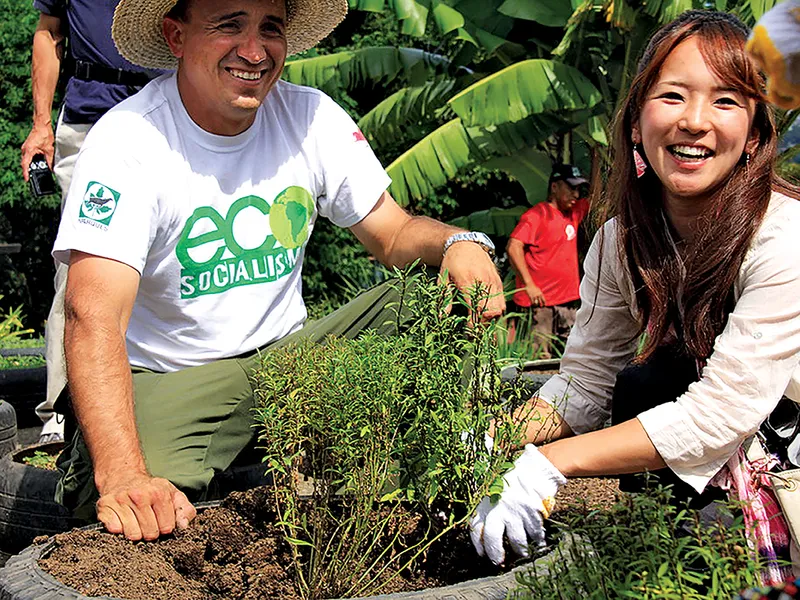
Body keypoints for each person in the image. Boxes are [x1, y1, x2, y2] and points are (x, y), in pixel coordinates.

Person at [51, 0, 504, 542]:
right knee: (122, 507)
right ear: (176, 35)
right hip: (174, 381)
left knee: (437, 289)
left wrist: (459, 241)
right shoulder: (129, 140)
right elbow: (92, 312)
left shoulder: (310, 116)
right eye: (229, 25)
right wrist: (122, 472)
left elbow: (396, 234)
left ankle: (427, 482)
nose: (253, 50)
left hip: (289, 366)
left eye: (271, 27)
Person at [470, 9, 800, 577]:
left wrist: (548, 464)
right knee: (645, 383)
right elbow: (585, 379)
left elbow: (721, 412)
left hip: (783, 443)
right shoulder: (622, 240)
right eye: (672, 96)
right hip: (732, 443)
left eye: (726, 102)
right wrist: (483, 452)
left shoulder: (784, 237)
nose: (695, 121)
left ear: (754, 134)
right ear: (634, 122)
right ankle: (669, 563)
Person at [19, 0, 165, 443]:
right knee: (79, 271)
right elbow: (48, 32)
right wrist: (41, 125)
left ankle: (156, 406)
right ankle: (59, 416)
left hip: (168, 115)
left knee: (168, 267)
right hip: (88, 118)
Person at [505, 164, 589, 357]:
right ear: (554, 187)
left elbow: (601, 196)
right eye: (571, 188)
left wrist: (597, 153)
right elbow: (513, 246)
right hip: (541, 305)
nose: (576, 194)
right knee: (539, 360)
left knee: (572, 358)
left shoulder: (573, 213)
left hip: (568, 303)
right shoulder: (537, 216)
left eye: (578, 189)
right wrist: (529, 285)